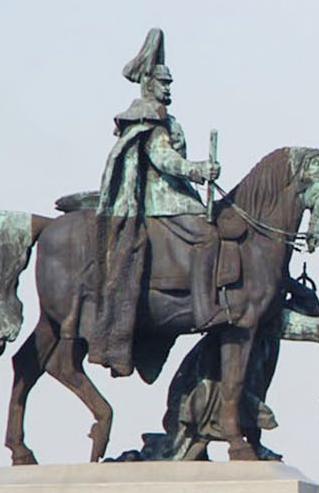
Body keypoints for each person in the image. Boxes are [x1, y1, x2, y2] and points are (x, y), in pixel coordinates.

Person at [86, 28, 221, 376]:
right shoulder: (149, 116)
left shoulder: (162, 116)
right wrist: (199, 170)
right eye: (164, 82)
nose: (169, 88)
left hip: (175, 196)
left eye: (170, 83)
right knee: (208, 236)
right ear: (149, 84)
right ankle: (205, 308)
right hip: (161, 201)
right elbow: (164, 160)